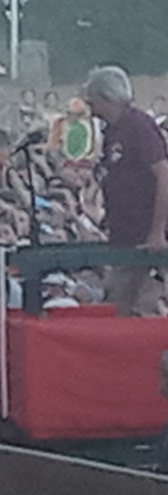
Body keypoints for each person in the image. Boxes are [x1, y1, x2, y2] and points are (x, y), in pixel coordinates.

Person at [84, 65, 168, 315]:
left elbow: (164, 174)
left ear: (107, 97)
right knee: (117, 309)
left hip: (146, 239)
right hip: (125, 237)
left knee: (145, 311)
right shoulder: (113, 131)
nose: (89, 102)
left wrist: (157, 232)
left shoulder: (138, 126)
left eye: (93, 97)